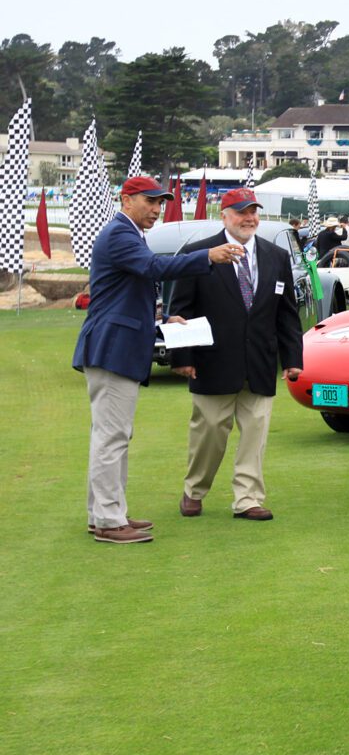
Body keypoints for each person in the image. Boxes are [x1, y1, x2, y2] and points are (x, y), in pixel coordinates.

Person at [72, 178, 245, 544]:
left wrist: (162, 322)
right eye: (149, 201)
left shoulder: (128, 234)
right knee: (111, 438)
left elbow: (125, 298)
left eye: (160, 203)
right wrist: (207, 256)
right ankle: (106, 519)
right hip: (111, 349)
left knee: (113, 436)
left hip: (115, 347)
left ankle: (106, 513)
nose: (156, 209)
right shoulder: (120, 234)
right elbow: (154, 268)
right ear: (126, 199)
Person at [167, 187, 303, 522]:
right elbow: (180, 308)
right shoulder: (199, 253)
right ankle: (194, 490)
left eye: (253, 211)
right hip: (212, 362)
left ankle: (248, 499)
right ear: (224, 216)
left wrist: (293, 359)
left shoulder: (275, 256)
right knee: (209, 433)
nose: (249, 218)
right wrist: (182, 357)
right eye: (241, 212)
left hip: (259, 361)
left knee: (255, 433)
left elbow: (286, 313)